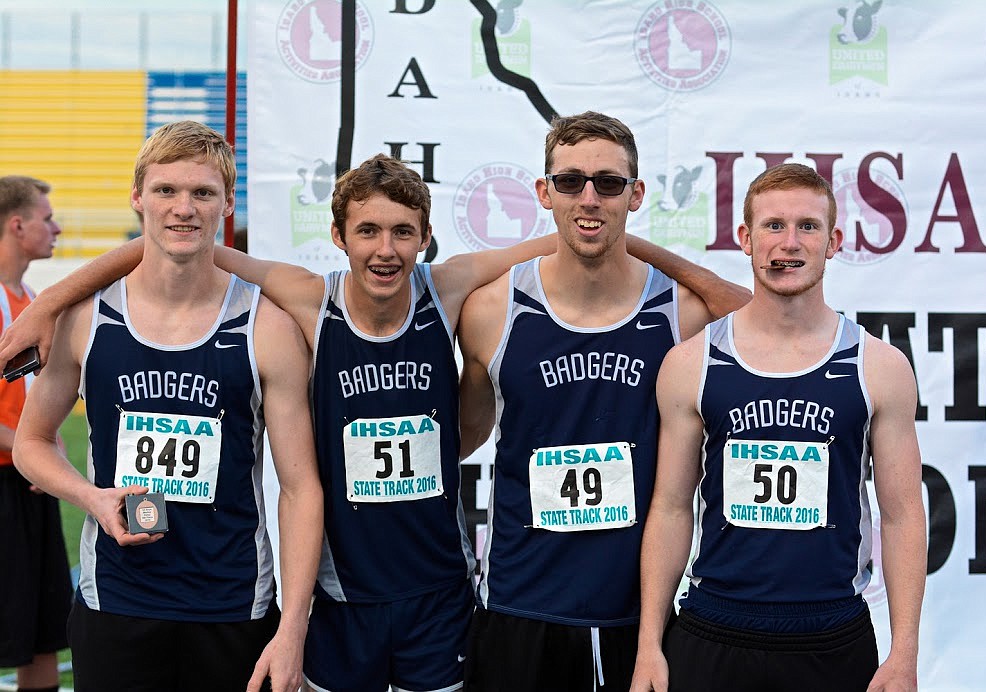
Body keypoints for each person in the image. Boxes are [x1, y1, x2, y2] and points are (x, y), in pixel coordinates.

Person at [0, 148, 746, 692]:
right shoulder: (306, 300)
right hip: (338, 594)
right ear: (339, 238)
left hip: (439, 592)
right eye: (367, 232)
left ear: (424, 239)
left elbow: (578, 232)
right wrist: (52, 299)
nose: (384, 250)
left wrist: (701, 276)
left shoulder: (445, 291)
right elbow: (182, 239)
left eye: (401, 233)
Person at [11, 121, 324, 692]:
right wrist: (92, 497)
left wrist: (293, 630)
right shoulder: (87, 319)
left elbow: (301, 488)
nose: (184, 208)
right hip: (116, 599)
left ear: (227, 204)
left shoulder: (267, 327)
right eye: (166, 191)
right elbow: (31, 443)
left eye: (203, 193)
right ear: (137, 199)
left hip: (233, 604)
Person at [455, 111, 727, 692]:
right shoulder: (491, 312)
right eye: (571, 181)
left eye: (608, 184)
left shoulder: (680, 314)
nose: (589, 197)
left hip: (636, 613)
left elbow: (769, 323)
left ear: (636, 195)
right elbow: (461, 437)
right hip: (519, 604)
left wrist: (654, 255)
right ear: (543, 192)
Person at [631, 163, 926, 692]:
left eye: (808, 227)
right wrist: (650, 645)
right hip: (712, 632)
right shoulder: (691, 363)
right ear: (745, 238)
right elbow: (671, 506)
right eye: (773, 226)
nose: (788, 243)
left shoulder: (878, 367)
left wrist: (904, 652)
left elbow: (903, 516)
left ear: (834, 241)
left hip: (832, 637)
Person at [0, 175, 69, 692]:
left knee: (45, 634)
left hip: (31, 483)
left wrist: (49, 452)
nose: (58, 228)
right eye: (47, 219)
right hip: (9, 479)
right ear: (17, 225)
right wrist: (30, 452)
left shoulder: (32, 299)